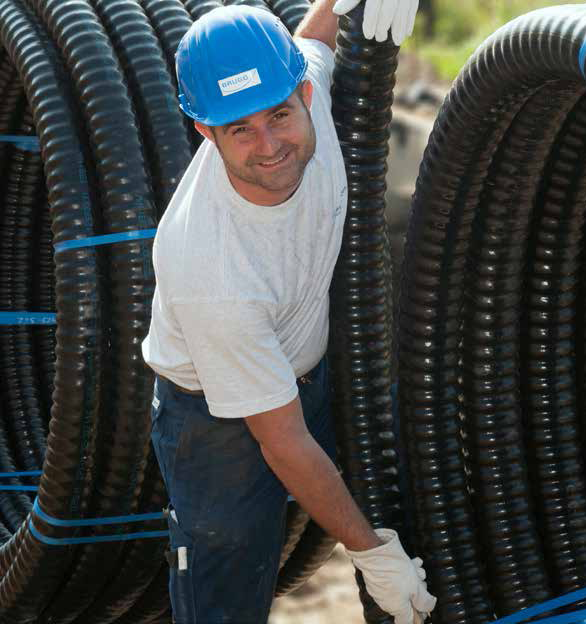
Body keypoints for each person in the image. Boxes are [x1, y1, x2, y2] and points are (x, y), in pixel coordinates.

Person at [141, 2, 434, 623]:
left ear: (303, 91)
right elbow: (284, 440)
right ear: (204, 131)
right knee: (228, 588)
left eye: (279, 115)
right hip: (215, 422)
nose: (270, 145)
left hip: (310, 367)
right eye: (240, 130)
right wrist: (372, 555)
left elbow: (315, 35)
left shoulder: (311, 94)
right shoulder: (207, 266)